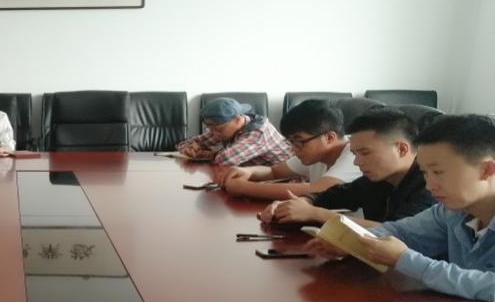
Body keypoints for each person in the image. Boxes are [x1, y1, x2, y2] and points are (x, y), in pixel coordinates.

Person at [309, 114, 495, 302]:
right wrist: (350, 242)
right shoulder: (450, 212)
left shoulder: (452, 206)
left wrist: (406, 260)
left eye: (438, 172)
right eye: (425, 173)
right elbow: (400, 231)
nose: (429, 185)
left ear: (486, 170)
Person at [259, 108, 435, 226]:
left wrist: (314, 213)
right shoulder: (377, 180)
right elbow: (332, 196)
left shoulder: (431, 186)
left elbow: (397, 233)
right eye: (355, 153)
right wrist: (300, 203)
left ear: (401, 149)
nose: (357, 162)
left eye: (365, 153)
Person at [220, 98, 360, 199]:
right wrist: (247, 172)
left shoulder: (356, 152)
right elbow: (273, 172)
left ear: (329, 137)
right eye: (291, 142)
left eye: (299, 142)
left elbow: (319, 189)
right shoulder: (316, 153)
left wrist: (245, 188)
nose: (293, 149)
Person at [175, 97, 292, 166]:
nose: (214, 134)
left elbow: (226, 159)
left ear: (238, 119)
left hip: (285, 180)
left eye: (218, 129)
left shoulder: (258, 132)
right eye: (211, 129)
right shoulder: (221, 127)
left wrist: (202, 153)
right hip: (255, 176)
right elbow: (190, 142)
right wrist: (188, 147)